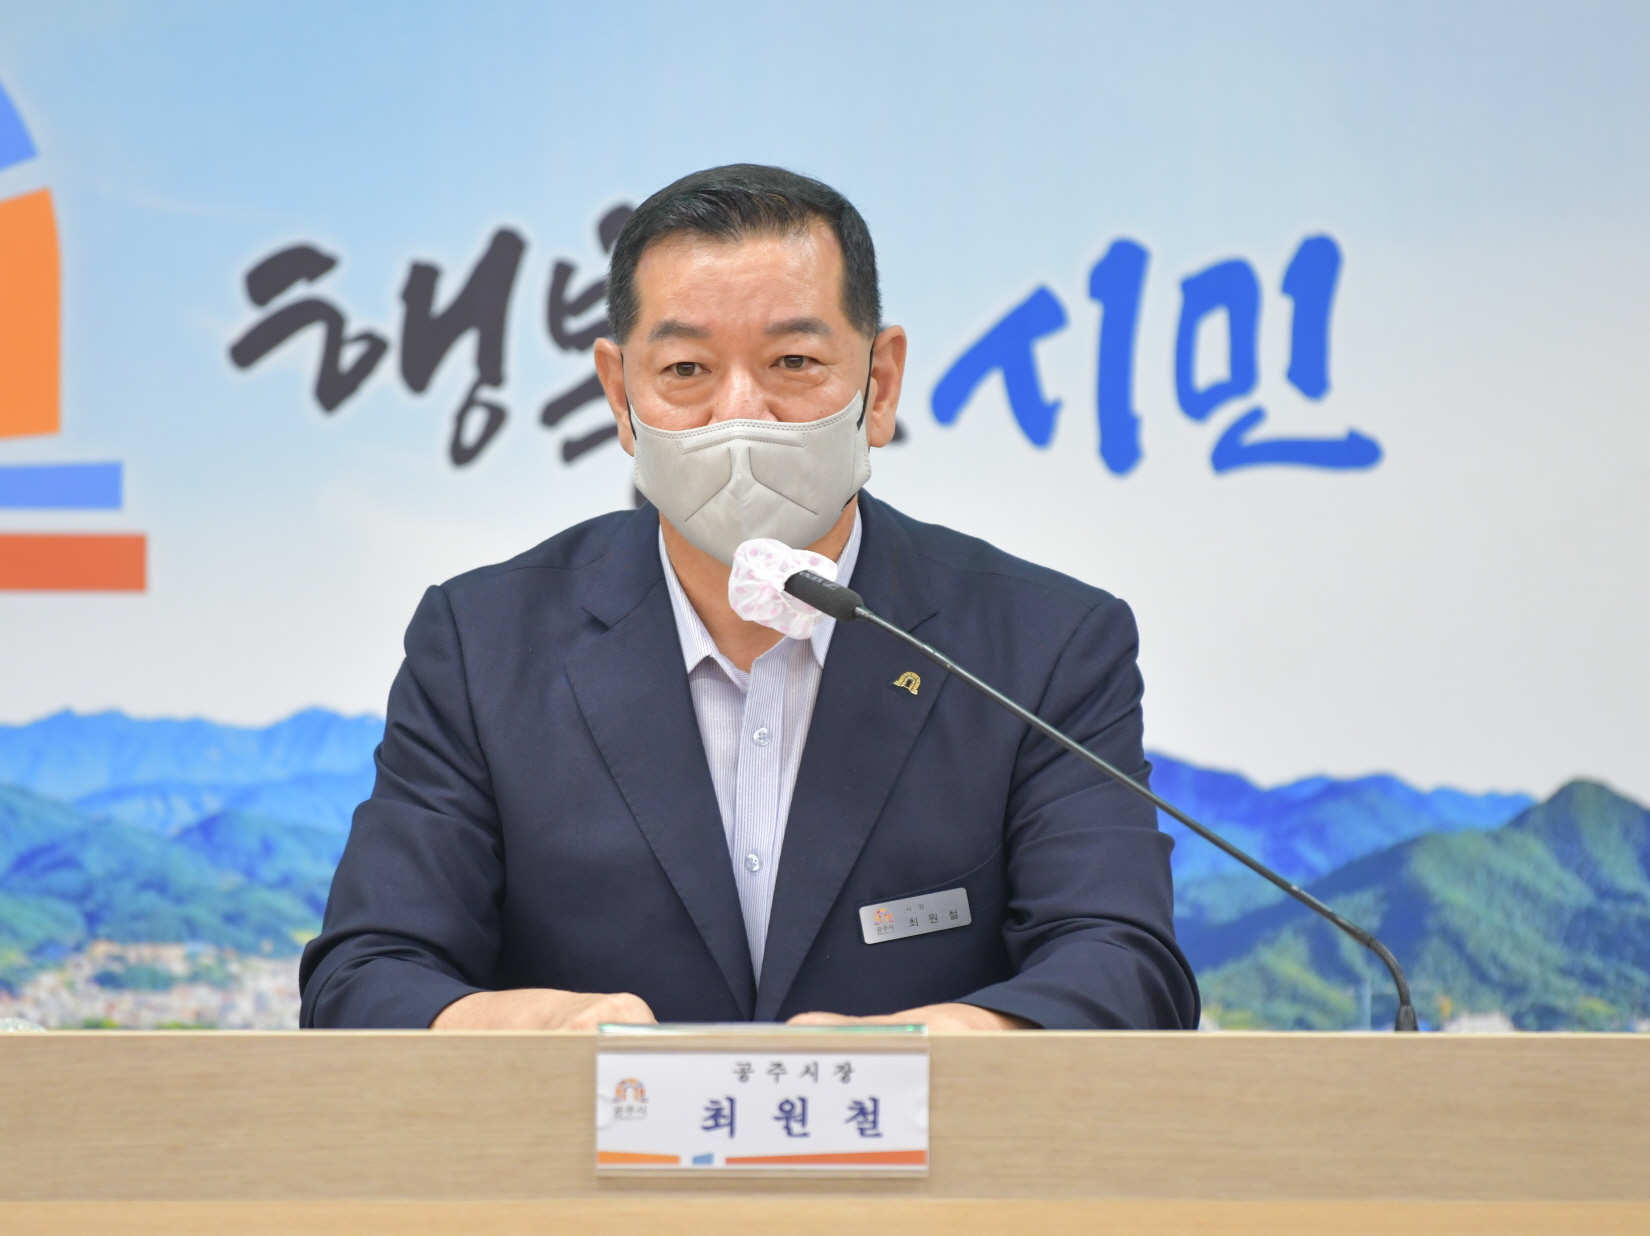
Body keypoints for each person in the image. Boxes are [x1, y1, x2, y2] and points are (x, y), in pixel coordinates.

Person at [300, 165, 1198, 1032]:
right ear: (619, 394)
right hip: (582, 1137)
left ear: (879, 384)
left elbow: (1123, 966)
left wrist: (938, 1052)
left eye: (793, 361)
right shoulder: (484, 645)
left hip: (926, 1139)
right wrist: (528, 1031)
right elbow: (366, 977)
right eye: (685, 370)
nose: (740, 415)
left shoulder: (1042, 645)